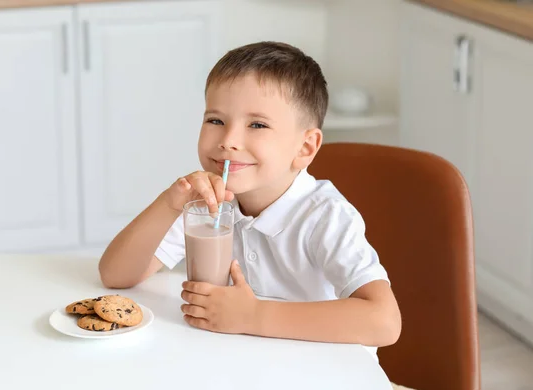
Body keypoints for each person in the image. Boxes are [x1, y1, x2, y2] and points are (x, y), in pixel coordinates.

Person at [98, 41, 402, 355]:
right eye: (216, 120)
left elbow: (384, 322)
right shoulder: (208, 204)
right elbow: (115, 275)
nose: (228, 141)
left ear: (305, 148)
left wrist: (253, 315)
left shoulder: (324, 217)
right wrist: (169, 203)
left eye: (257, 125)